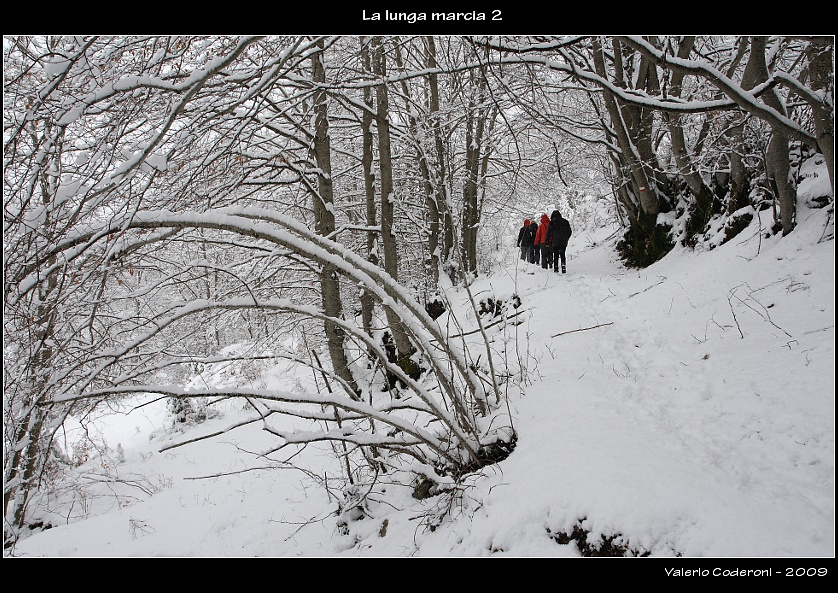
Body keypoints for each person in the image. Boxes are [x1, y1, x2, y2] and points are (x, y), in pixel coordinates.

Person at [546, 209, 572, 274]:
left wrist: (547, 241)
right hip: (563, 241)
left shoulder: (552, 222)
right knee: (562, 254)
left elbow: (548, 233)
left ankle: (556, 269)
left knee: (556, 255)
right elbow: (569, 231)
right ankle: (563, 268)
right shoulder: (565, 221)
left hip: (555, 241)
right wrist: (566, 238)